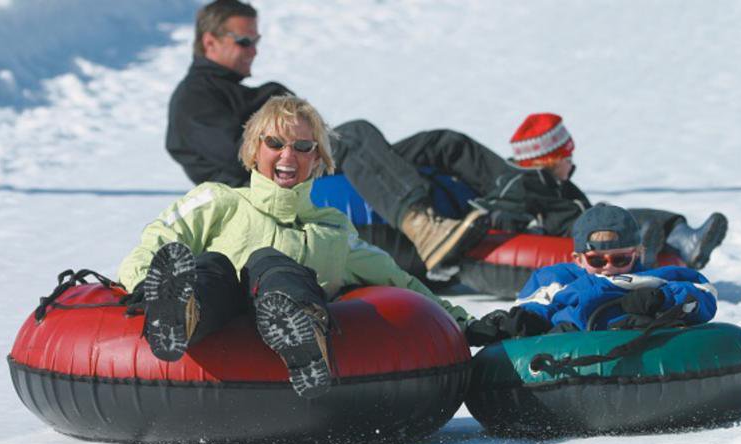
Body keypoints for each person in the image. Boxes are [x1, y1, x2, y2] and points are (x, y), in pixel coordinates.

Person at [121, 95, 482, 399]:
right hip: (219, 315)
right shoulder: (219, 201)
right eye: (274, 143)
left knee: (272, 265)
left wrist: (461, 321)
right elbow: (158, 240)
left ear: (318, 159)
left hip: (286, 329)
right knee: (214, 265)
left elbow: (398, 281)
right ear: (252, 150)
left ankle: (303, 335)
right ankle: (180, 313)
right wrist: (141, 285)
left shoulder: (331, 229)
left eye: (302, 146)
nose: (287, 155)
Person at [165, 0, 527, 272]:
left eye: (256, 40)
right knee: (354, 135)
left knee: (442, 144)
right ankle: (422, 225)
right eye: (244, 41)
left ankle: (527, 196)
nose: (254, 50)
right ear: (210, 42)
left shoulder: (242, 92)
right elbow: (248, 158)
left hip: (306, 166)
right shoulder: (195, 101)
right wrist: (275, 102)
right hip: (275, 196)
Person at [469, 113, 728, 269]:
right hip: (568, 232)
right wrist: (529, 225)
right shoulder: (518, 183)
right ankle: (644, 246)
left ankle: (683, 239)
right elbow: (501, 209)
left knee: (620, 215)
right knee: (616, 219)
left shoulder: (559, 183)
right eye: (567, 157)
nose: (572, 163)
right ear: (549, 159)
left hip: (579, 225)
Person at [465, 204, 718, 346]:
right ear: (578, 259)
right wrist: (525, 321)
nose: (608, 267)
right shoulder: (557, 279)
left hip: (631, 344)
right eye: (596, 260)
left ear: (638, 254)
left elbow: (703, 295)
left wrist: (662, 299)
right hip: (570, 349)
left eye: (620, 259)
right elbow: (534, 305)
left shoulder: (656, 279)